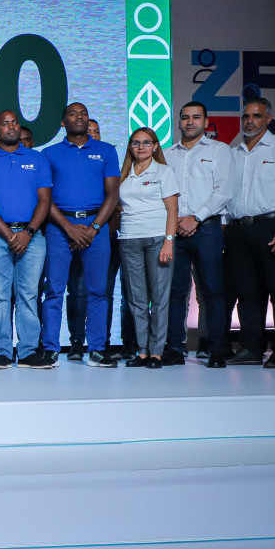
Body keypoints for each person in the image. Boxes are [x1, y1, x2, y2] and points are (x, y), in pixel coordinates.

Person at [40, 102, 122, 367]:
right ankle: (50, 349)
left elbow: (113, 195)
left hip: (95, 226)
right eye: (73, 114)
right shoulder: (49, 154)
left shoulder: (106, 151)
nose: (79, 117)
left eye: (83, 113)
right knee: (54, 290)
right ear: (63, 122)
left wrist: (94, 228)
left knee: (98, 291)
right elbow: (44, 198)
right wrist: (68, 227)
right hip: (59, 227)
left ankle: (97, 348)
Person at [226, 97, 275, 367]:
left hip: (272, 226)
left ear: (269, 119)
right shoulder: (233, 153)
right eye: (246, 116)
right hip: (238, 229)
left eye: (256, 116)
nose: (250, 121)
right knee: (247, 291)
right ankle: (251, 347)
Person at [0, 110, 52, 369]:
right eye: (5, 124)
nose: (11, 127)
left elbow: (45, 200)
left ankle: (28, 352)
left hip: (32, 236)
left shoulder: (37, 159)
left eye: (15, 122)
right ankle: (3, 351)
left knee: (29, 295)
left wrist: (28, 233)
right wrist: (10, 236)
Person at [164, 101, 236, 368]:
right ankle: (175, 347)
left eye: (196, 117)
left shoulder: (220, 150)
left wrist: (195, 218)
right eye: (185, 117)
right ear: (179, 122)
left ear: (206, 122)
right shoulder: (168, 154)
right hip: (174, 230)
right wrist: (177, 223)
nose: (190, 122)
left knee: (212, 290)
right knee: (175, 292)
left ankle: (217, 348)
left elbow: (224, 191)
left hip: (206, 229)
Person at [117, 127, 181, 368]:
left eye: (146, 142)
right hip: (129, 239)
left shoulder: (164, 171)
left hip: (157, 238)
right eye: (136, 142)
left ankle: (157, 352)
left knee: (159, 298)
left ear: (155, 146)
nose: (141, 147)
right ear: (130, 147)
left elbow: (173, 210)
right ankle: (142, 351)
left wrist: (169, 241)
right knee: (136, 300)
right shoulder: (124, 174)